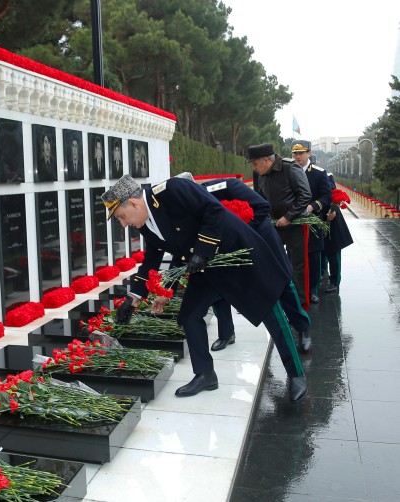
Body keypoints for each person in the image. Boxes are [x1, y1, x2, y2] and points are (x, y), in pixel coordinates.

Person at [103, 174, 307, 402]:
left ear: (133, 203)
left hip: (234, 256)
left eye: (121, 217)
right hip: (205, 266)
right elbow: (152, 258)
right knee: (189, 315)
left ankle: (296, 374)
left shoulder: (172, 190)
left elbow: (213, 210)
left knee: (270, 312)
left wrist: (202, 251)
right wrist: (133, 298)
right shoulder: (145, 223)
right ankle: (205, 374)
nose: (123, 224)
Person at [176, 172, 311, 352]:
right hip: (227, 249)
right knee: (219, 287)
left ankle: (302, 327)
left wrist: (240, 230)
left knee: (283, 283)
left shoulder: (225, 186)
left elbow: (262, 207)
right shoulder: (185, 209)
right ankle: (226, 334)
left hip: (261, 238)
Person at [250, 143, 312, 311]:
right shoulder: (260, 174)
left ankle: (301, 305)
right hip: (273, 225)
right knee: (273, 261)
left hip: (295, 225)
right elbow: (260, 198)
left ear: (266, 160)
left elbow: (305, 195)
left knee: (299, 266)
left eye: (255, 164)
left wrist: (288, 216)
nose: (254, 169)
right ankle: (279, 299)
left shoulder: (289, 168)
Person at [291, 141, 331, 304]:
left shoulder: (318, 173)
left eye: (301, 153)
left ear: (309, 153)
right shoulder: (289, 171)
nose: (298, 156)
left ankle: (312, 290)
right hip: (293, 222)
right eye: (295, 153)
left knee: (313, 257)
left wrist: (312, 207)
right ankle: (297, 289)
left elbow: (326, 196)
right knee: (294, 257)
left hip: (313, 222)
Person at [324, 172, 354, 293]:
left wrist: (333, 210)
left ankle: (334, 281)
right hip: (313, 217)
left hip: (330, 218)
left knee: (333, 251)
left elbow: (333, 194)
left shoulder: (325, 175)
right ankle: (320, 274)